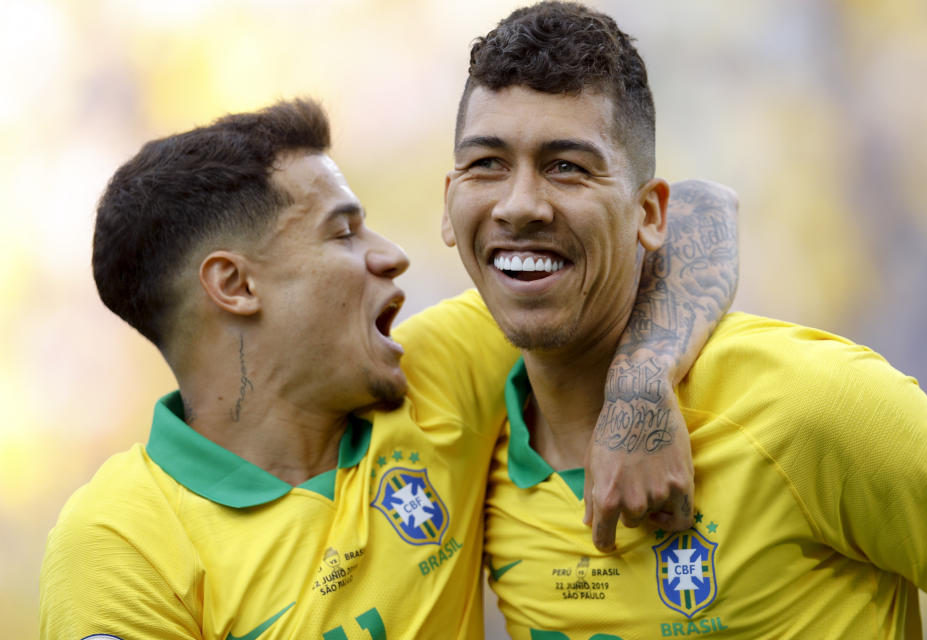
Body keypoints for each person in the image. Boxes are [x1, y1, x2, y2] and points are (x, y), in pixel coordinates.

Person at [38, 98, 737, 637]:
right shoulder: (117, 540)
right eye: (343, 231)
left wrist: (641, 385)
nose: (391, 254)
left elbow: (693, 215)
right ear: (235, 286)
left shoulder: (439, 374)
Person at [440, 2, 927, 638]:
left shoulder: (813, 405)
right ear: (449, 201)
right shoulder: (465, 458)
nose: (519, 205)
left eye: (566, 166)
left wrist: (639, 382)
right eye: (487, 163)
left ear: (652, 214)